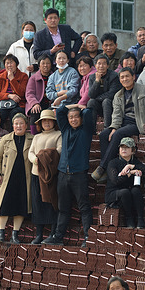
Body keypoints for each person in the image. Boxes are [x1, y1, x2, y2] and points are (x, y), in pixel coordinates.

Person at [91, 67, 145, 183]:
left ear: (133, 77)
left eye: (127, 76)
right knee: (104, 135)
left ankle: (103, 167)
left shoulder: (143, 90)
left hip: (137, 122)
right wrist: (114, 127)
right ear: (120, 80)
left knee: (118, 134)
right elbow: (116, 114)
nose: (125, 79)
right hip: (122, 123)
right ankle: (108, 167)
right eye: (122, 77)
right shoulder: (118, 95)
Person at [44, 104, 94, 247]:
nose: (73, 120)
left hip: (79, 175)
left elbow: (89, 112)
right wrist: (73, 106)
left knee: (84, 207)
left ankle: (87, 238)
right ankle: (58, 237)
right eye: (70, 117)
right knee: (63, 208)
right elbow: (60, 111)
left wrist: (81, 108)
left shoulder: (86, 130)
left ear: (81, 118)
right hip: (63, 175)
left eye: (76, 117)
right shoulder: (65, 130)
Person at [0, 113, 33, 244]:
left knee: (21, 205)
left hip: (25, 177)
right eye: (16, 123)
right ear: (13, 125)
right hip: (6, 177)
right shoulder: (5, 139)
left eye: (21, 123)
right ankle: (1, 233)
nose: (19, 126)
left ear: (26, 126)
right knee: (3, 204)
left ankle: (15, 234)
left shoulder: (32, 139)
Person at [28, 109, 62, 244]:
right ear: (40, 123)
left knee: (51, 203)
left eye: (49, 121)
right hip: (36, 174)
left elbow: (59, 151)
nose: (46, 123)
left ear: (53, 122)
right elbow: (31, 152)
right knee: (37, 203)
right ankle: (39, 234)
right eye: (44, 121)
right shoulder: (36, 137)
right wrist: (35, 160)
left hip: (51, 175)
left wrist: (43, 157)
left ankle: (53, 233)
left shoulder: (58, 135)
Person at [105, 137, 145, 228]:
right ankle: (129, 218)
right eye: (122, 147)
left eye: (127, 147)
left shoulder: (134, 162)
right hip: (114, 193)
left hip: (129, 193)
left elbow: (144, 169)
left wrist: (131, 166)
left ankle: (140, 219)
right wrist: (129, 173)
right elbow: (115, 181)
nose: (123, 149)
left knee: (136, 190)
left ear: (133, 151)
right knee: (125, 192)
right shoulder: (113, 163)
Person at [0, 54, 28, 127]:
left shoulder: (23, 76)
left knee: (15, 114)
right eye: (7, 63)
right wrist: (9, 95)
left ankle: (14, 135)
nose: (9, 65)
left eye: (11, 63)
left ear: (17, 64)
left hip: (18, 104)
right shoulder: (0, 77)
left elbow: (22, 93)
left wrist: (12, 79)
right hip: (3, 104)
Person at [87, 54, 121, 129]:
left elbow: (112, 93)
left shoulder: (114, 76)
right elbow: (91, 95)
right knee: (91, 102)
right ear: (95, 65)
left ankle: (107, 127)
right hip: (99, 104)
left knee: (106, 101)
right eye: (99, 63)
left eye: (104, 63)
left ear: (108, 66)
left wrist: (98, 98)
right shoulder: (92, 77)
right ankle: (91, 130)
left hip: (111, 104)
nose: (101, 66)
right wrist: (97, 81)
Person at [25, 53, 53, 135]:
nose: (45, 65)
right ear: (39, 66)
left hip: (50, 103)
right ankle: (34, 136)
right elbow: (29, 93)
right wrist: (35, 103)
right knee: (35, 111)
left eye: (48, 63)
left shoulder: (54, 76)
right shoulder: (33, 78)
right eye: (43, 63)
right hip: (38, 103)